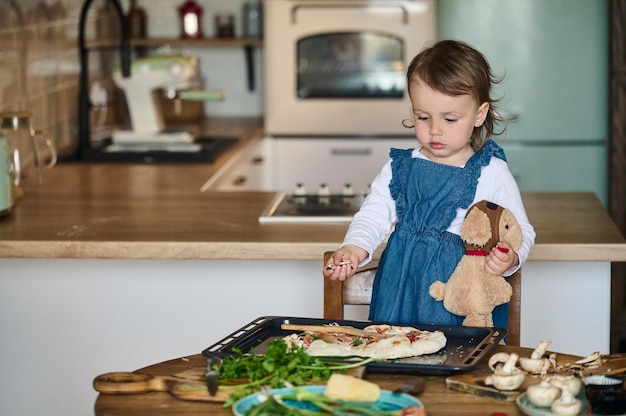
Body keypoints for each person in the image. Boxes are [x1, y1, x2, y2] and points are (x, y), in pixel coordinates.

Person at [323, 40, 536, 330]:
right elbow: (374, 214)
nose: (434, 129)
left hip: (460, 298)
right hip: (400, 293)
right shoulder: (400, 168)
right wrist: (354, 247)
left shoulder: (492, 172)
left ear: (479, 114)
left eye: (449, 119)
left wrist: (510, 259)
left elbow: (521, 231)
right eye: (423, 117)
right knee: (394, 360)